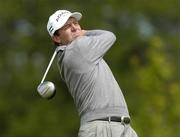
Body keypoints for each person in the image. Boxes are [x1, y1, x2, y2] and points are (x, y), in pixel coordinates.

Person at [46, 9, 138, 137]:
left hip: (119, 126)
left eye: (75, 23)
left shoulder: (69, 54)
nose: (74, 28)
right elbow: (109, 36)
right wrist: (84, 32)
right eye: (67, 26)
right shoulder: (77, 48)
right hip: (102, 128)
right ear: (57, 38)